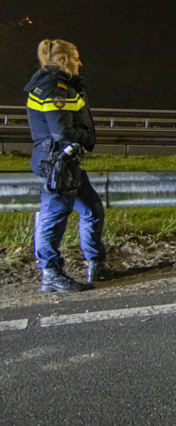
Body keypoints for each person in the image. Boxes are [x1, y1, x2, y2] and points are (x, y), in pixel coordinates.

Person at [24, 39, 112, 292]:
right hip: (57, 163)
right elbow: (62, 131)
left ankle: (96, 264)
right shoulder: (54, 87)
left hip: (64, 161)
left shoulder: (54, 84)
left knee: (92, 209)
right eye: (75, 57)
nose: (79, 62)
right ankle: (50, 273)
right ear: (62, 60)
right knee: (54, 218)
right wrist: (89, 139)